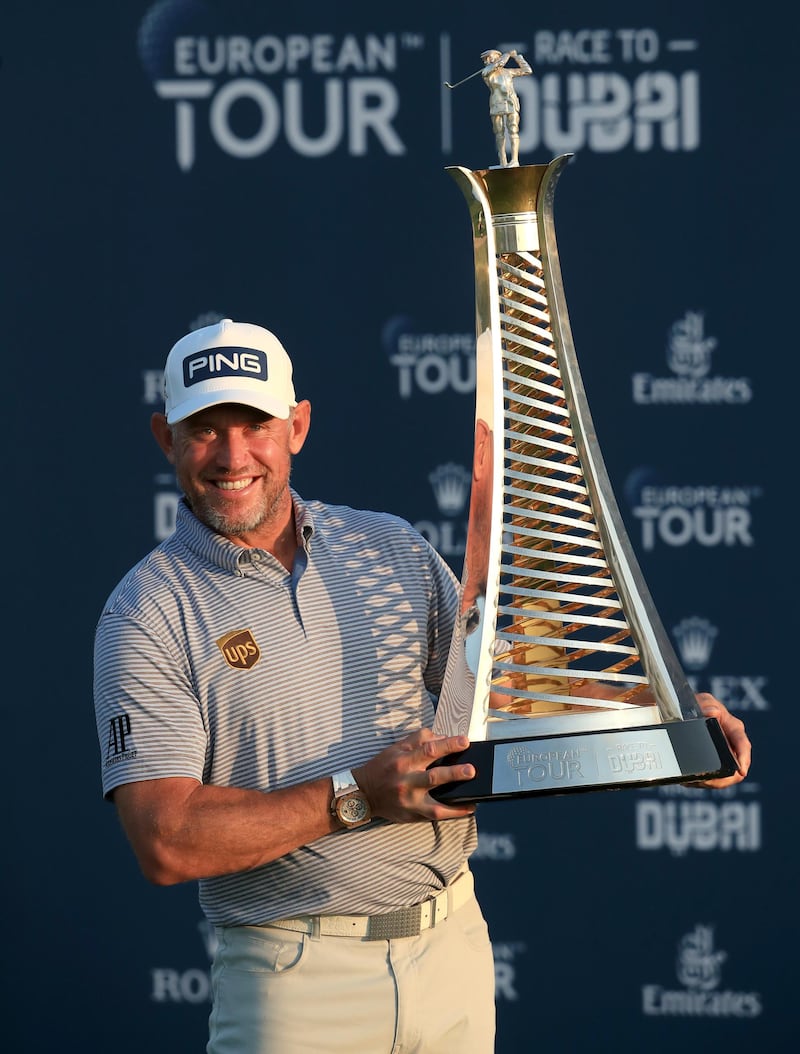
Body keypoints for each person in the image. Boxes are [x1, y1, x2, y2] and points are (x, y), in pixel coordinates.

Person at [93, 318, 751, 1053]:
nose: (233, 454)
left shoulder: (391, 549)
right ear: (165, 438)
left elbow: (501, 699)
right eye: (204, 429)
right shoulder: (146, 609)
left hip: (453, 951)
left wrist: (661, 720)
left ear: (298, 426)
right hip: (295, 979)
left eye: (255, 423)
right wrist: (355, 796)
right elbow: (166, 840)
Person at [480, 48, 533, 167]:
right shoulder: (486, 72)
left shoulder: (507, 72)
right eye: (485, 59)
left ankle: (514, 160)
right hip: (497, 104)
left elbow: (527, 70)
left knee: (513, 130)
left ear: (496, 57)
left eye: (488, 58)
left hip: (511, 103)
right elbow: (499, 63)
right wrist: (508, 54)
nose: (486, 61)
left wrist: (518, 57)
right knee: (499, 132)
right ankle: (503, 161)